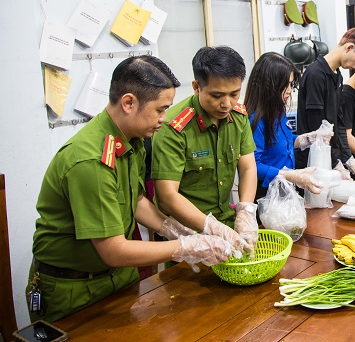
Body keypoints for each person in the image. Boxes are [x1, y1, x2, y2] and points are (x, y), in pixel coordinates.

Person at [26, 56, 241, 323]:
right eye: (160, 110)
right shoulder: (90, 161)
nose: (164, 118)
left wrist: (174, 228)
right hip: (75, 289)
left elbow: (136, 200)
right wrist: (188, 246)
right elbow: (113, 250)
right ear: (129, 103)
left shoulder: (131, 139)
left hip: (119, 277)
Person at [151, 46, 259, 251]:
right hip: (187, 235)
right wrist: (211, 228)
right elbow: (167, 196)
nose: (226, 104)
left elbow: (247, 167)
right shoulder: (174, 127)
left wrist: (245, 210)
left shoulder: (238, 116)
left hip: (227, 224)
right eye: (217, 95)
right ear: (196, 87)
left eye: (234, 94)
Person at [243, 52, 331, 199]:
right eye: (285, 85)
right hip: (266, 194)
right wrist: (289, 175)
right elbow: (252, 167)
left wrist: (308, 139)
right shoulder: (254, 120)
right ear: (268, 85)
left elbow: (284, 142)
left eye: (291, 84)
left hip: (285, 188)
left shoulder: (278, 110)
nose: (289, 90)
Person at [295, 27, 355, 181]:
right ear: (349, 47)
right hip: (313, 162)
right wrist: (336, 163)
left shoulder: (337, 76)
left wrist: (348, 160)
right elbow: (317, 130)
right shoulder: (316, 75)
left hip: (329, 158)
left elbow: (339, 125)